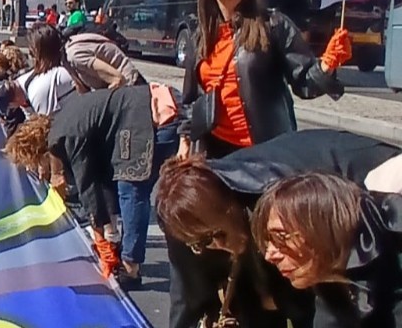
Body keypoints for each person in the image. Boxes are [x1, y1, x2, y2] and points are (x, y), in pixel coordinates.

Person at [156, 129, 402, 328]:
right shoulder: (185, 214)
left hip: (367, 187)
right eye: (202, 243)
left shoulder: (280, 196)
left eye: (218, 235)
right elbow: (187, 294)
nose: (217, 246)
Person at [179, 0, 351, 160]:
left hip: (266, 150)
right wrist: (185, 142)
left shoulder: (274, 25)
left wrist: (328, 63)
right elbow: (190, 99)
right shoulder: (201, 37)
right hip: (215, 152)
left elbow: (305, 82)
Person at [5, 83, 181, 288]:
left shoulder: (63, 137)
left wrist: (101, 239)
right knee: (126, 185)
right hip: (155, 105)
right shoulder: (64, 120)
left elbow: (88, 187)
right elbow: (101, 180)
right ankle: (127, 254)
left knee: (131, 189)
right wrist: (108, 232)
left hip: (153, 116)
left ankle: (131, 268)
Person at [253, 172, 402, 328]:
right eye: (267, 241)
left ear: (323, 228)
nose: (269, 255)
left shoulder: (394, 267)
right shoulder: (331, 287)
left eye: (281, 238)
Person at [64, 29, 143, 91]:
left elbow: (117, 79)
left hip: (131, 86)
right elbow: (83, 91)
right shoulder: (66, 58)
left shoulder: (74, 55)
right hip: (124, 88)